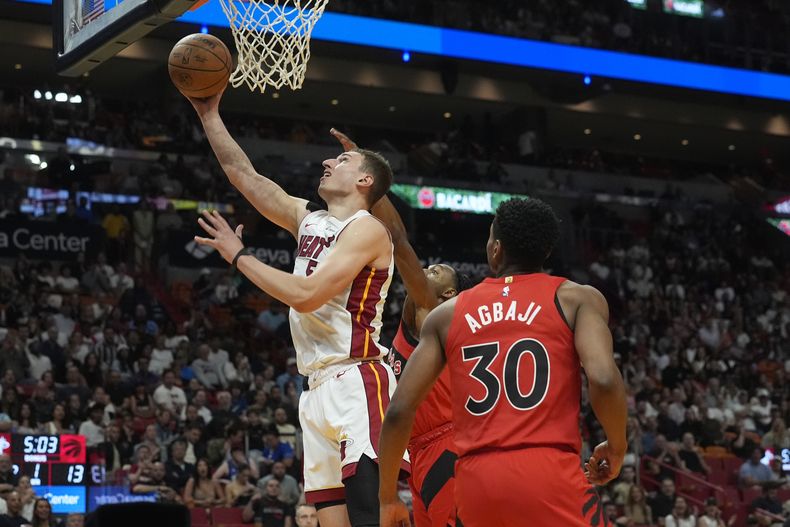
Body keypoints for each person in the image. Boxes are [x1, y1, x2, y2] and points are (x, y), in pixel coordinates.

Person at [189, 84, 402, 527]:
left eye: (342, 160)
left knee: (369, 515)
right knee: (329, 519)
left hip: (356, 378)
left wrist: (239, 255)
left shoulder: (367, 230)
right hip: (316, 388)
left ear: (365, 181)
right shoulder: (309, 219)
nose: (327, 161)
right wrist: (209, 113)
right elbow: (243, 175)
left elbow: (306, 296)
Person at [377, 198, 628, 527]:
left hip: (475, 479)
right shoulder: (578, 298)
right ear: (547, 251)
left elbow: (397, 412)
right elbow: (605, 380)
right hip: (548, 469)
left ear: (495, 249)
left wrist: (387, 497)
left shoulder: (446, 315)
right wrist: (617, 446)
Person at [335, 128, 472, 527]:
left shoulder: (431, 313)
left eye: (437, 273)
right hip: (417, 451)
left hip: (445, 445)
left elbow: (397, 238)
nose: (426, 271)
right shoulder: (412, 323)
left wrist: (369, 183)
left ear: (448, 295)